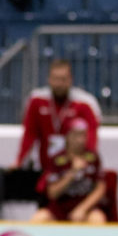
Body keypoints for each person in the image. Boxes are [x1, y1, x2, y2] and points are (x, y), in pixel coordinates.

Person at [13, 59, 101, 194]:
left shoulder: (85, 103)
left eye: (63, 79)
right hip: (46, 168)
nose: (59, 84)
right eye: (56, 79)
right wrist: (19, 161)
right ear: (49, 79)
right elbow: (29, 134)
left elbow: (91, 138)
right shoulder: (37, 100)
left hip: (74, 170)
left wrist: (84, 162)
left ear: (70, 79)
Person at [31, 117, 107, 223]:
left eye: (83, 135)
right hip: (60, 208)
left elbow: (100, 189)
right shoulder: (57, 159)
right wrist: (72, 173)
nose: (81, 139)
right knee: (39, 218)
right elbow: (52, 193)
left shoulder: (93, 158)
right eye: (76, 135)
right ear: (67, 136)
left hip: (85, 207)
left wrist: (82, 209)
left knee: (97, 219)